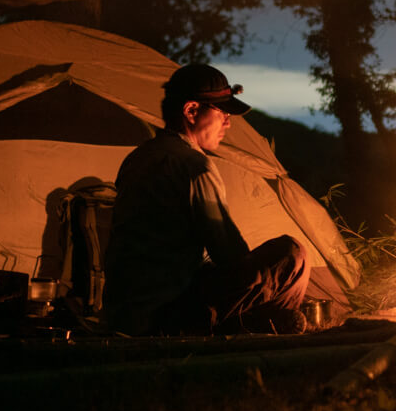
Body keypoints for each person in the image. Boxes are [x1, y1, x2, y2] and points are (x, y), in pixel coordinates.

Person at [102, 64, 309, 335]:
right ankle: (267, 326)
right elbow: (231, 256)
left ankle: (253, 323)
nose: (228, 122)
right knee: (292, 254)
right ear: (191, 111)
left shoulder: (139, 157)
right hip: (171, 312)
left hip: (124, 313)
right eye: (222, 112)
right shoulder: (193, 165)